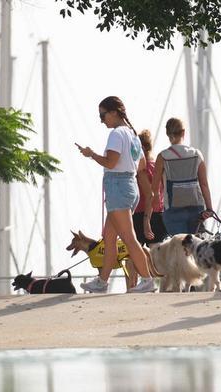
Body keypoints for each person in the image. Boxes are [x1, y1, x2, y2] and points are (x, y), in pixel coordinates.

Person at [75, 96, 156, 293]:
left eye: (103, 115)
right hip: (129, 185)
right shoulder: (133, 135)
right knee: (109, 238)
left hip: (118, 186)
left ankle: (147, 280)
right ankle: (102, 282)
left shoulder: (117, 134)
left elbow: (111, 163)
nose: (102, 120)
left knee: (128, 238)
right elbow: (142, 165)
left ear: (114, 112)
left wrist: (91, 154)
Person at [149, 118, 214, 236]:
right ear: (183, 132)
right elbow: (204, 184)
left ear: (167, 133)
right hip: (196, 209)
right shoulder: (196, 154)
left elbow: (155, 188)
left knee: (180, 249)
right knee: (196, 248)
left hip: (173, 209)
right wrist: (209, 208)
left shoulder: (163, 156)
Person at [133, 129, 167, 245]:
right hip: (158, 213)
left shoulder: (139, 170)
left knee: (136, 253)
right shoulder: (158, 167)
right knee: (156, 255)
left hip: (139, 213)